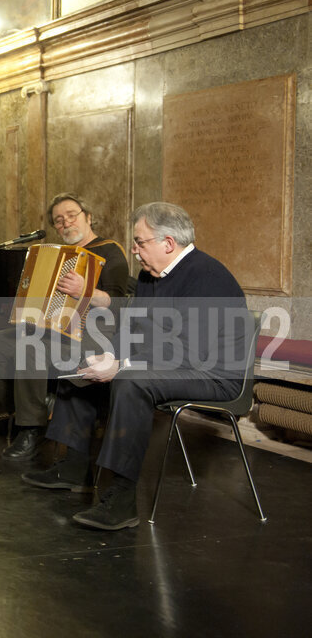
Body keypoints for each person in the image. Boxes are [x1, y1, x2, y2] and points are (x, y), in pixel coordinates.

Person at [22, 202, 248, 531]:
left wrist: (122, 365)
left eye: (140, 242)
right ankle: (73, 466)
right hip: (174, 362)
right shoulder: (148, 275)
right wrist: (109, 356)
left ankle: (123, 499)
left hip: (213, 374)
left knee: (131, 380)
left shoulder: (207, 277)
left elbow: (189, 352)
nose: (134, 250)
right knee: (81, 365)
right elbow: (132, 329)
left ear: (168, 243)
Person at [0, 193, 130, 460]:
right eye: (59, 220)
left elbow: (118, 303)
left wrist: (85, 291)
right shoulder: (54, 255)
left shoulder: (109, 250)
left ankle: (31, 430)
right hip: (52, 329)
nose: (66, 223)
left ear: (88, 217)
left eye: (71, 215)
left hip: (94, 332)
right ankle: (32, 409)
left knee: (30, 348)